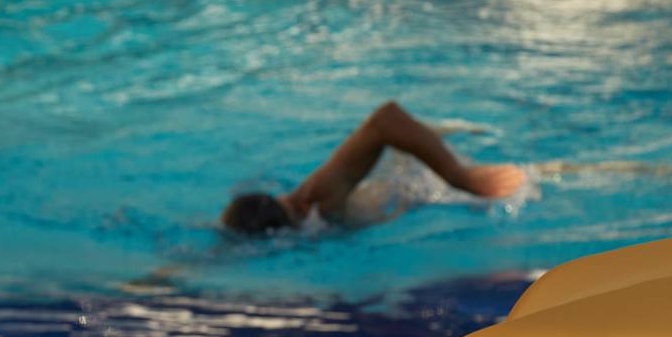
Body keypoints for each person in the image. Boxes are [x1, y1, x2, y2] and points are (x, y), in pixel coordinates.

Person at [219, 100, 527, 235]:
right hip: (399, 176)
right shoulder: (305, 214)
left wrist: (461, 177)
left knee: (533, 178)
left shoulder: (315, 203)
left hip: (424, 182)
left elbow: (385, 119)